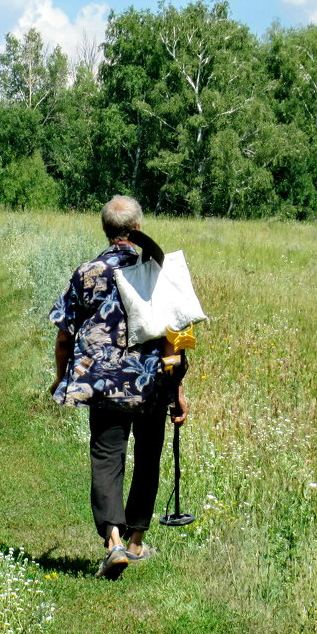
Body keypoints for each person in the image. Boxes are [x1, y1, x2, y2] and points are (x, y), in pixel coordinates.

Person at [48, 195, 188, 580]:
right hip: (151, 383)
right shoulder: (155, 271)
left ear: (106, 230)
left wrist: (61, 377)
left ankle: (114, 542)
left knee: (107, 457)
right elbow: (175, 337)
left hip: (103, 383)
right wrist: (177, 392)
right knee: (147, 457)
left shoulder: (87, 273)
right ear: (138, 229)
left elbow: (64, 336)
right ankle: (138, 539)